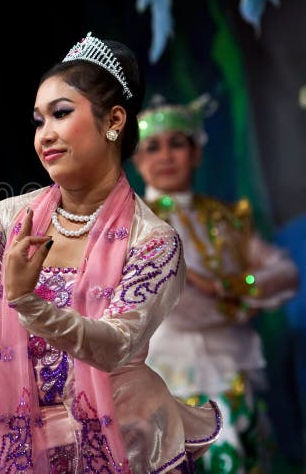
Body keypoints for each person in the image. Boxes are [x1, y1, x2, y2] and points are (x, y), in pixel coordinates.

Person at [0, 32, 223, 473]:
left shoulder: (152, 240)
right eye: (38, 121)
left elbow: (114, 346)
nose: (45, 135)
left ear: (113, 120)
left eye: (61, 114)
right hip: (35, 444)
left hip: (129, 438)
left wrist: (27, 302)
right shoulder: (6, 220)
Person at [133, 95, 300, 473]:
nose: (166, 156)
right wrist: (236, 307)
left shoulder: (225, 218)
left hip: (231, 367)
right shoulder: (132, 225)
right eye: (152, 147)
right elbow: (174, 304)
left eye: (177, 144)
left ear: (196, 154)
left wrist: (233, 285)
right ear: (138, 161)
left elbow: (284, 272)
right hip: (162, 369)